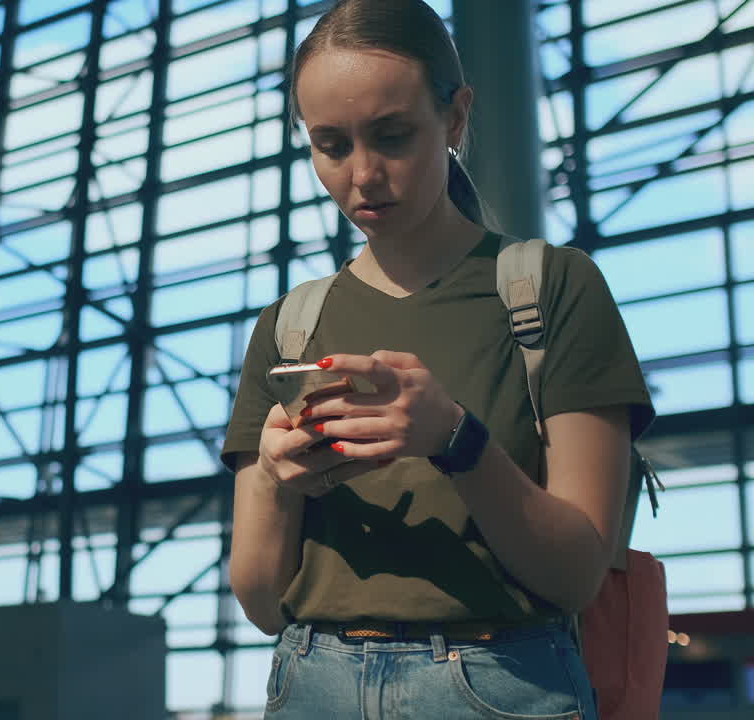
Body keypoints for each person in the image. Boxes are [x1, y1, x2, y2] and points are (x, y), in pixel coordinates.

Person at [220, 1, 655, 717]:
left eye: (392, 137)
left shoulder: (553, 288)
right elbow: (265, 604)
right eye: (330, 145)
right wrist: (273, 477)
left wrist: (457, 440)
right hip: (310, 681)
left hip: (502, 685)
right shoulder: (290, 325)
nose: (361, 175)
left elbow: (577, 574)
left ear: (455, 119)